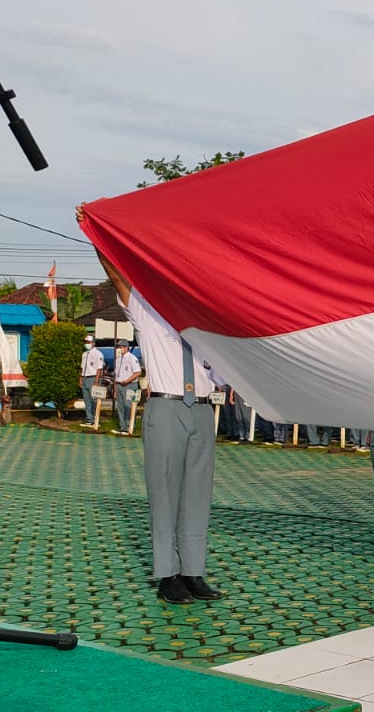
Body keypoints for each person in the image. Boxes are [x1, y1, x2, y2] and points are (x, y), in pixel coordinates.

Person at [98, 253, 223, 605]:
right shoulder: (149, 315)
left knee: (198, 493)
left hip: (201, 410)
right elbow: (117, 277)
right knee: (165, 493)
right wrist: (96, 235)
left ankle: (193, 571)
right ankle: (168, 574)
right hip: (166, 408)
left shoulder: (205, 324)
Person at [111, 339, 142, 436]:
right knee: (120, 406)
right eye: (118, 347)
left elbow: (138, 372)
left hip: (129, 384)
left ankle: (129, 426)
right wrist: (115, 389)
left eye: (120, 347)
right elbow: (116, 375)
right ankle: (122, 427)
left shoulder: (132, 358)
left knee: (128, 406)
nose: (119, 349)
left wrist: (127, 381)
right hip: (120, 384)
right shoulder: (118, 360)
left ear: (126, 348)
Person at [80, 334, 103, 426]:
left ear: (93, 343)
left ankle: (95, 418)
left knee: (94, 399)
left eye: (88, 342)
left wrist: (96, 381)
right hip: (85, 377)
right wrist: (81, 378)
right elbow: (82, 367)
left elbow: (99, 369)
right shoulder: (84, 354)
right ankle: (89, 418)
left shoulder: (98, 354)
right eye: (85, 342)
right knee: (87, 399)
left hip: (93, 377)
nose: (87, 344)